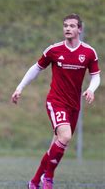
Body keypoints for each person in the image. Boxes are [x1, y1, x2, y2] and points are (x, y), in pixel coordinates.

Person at [11, 14, 100, 189]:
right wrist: (20, 87)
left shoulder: (89, 52)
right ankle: (48, 178)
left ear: (79, 30)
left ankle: (35, 181)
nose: (68, 28)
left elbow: (96, 76)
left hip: (74, 105)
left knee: (57, 146)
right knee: (65, 136)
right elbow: (36, 68)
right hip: (56, 101)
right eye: (65, 25)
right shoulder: (54, 50)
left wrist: (91, 89)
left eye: (72, 26)